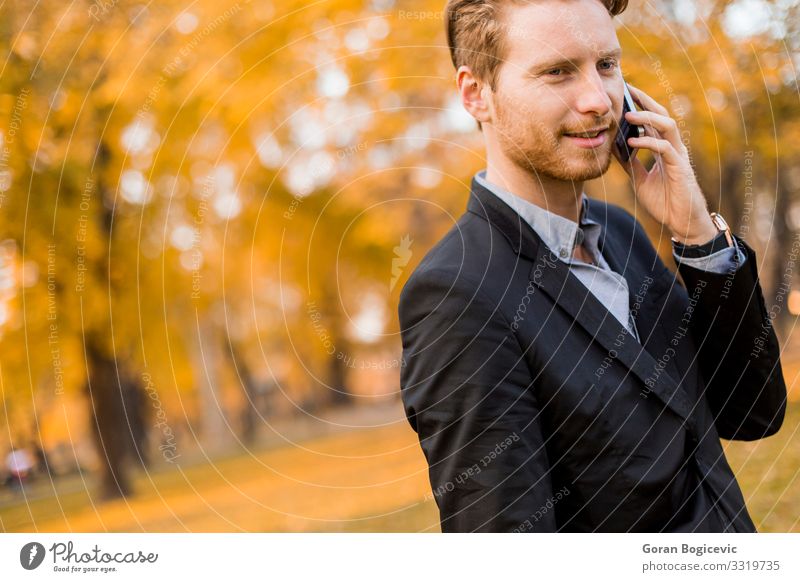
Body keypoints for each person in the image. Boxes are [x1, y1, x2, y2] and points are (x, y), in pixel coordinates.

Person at [398, 0, 786, 532]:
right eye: (557, 71)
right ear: (475, 95)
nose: (597, 99)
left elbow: (752, 412)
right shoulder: (457, 296)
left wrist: (698, 235)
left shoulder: (621, 232)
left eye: (606, 65)